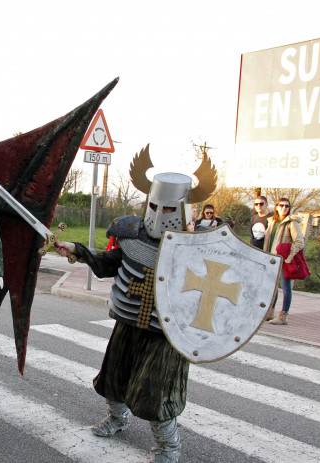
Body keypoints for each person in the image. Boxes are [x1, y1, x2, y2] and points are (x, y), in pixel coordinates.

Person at [53, 147, 217, 463]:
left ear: (183, 208)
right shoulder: (131, 235)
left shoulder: (198, 248)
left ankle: (168, 446)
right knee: (113, 377)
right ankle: (117, 418)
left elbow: (208, 295)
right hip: (129, 323)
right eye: (154, 205)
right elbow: (107, 263)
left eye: (168, 207)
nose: (160, 212)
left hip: (167, 334)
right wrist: (77, 249)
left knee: (157, 393)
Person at [263, 198, 304, 326]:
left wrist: (289, 256)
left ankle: (283, 316)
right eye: (282, 205)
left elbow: (299, 242)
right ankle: (270, 312)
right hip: (272, 260)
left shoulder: (291, 223)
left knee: (286, 288)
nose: (284, 208)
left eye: (287, 206)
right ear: (276, 207)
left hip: (284, 260)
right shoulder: (272, 222)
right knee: (272, 286)